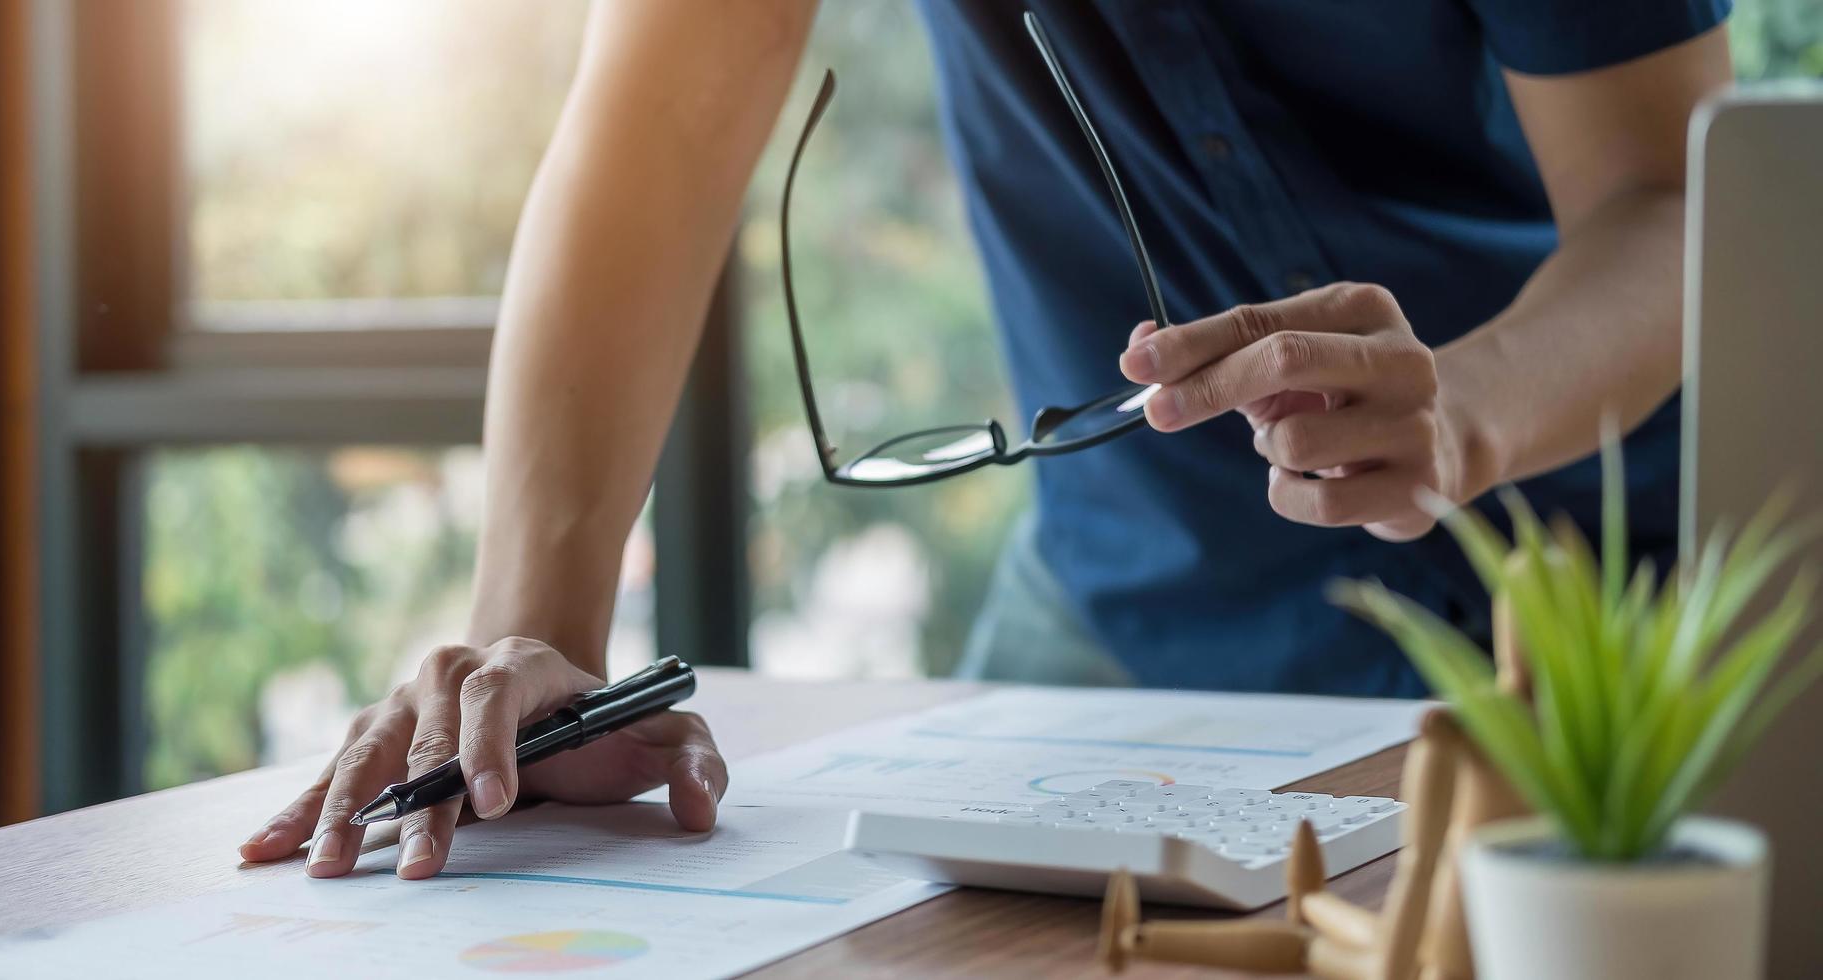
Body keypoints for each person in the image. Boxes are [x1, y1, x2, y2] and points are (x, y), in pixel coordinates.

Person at [237, 1, 1735, 880]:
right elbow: (662, 119)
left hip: (1617, 568)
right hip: (1133, 583)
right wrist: (530, 658)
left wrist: (1464, 407)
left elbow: (1670, 199)